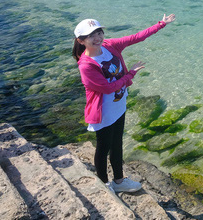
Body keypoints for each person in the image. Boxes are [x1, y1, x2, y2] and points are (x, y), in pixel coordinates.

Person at [72, 13, 176, 194]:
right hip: (103, 111)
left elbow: (136, 37)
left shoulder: (109, 46)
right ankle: (104, 184)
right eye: (91, 35)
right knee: (103, 148)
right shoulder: (86, 65)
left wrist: (161, 24)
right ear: (81, 40)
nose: (97, 38)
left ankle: (119, 181)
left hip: (118, 105)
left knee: (117, 143)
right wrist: (131, 74)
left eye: (99, 32)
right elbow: (106, 88)